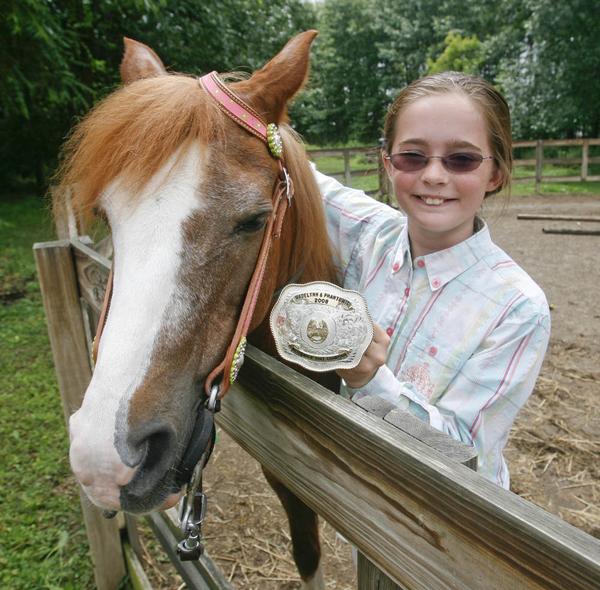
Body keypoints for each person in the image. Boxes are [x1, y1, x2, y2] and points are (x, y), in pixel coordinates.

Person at [313, 72, 550, 489]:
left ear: (495, 174)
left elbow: (462, 457)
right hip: (367, 495)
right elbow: (298, 173)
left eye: (462, 159)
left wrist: (370, 381)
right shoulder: (371, 235)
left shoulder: (518, 308)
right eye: (412, 156)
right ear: (388, 164)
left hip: (448, 528)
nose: (435, 176)